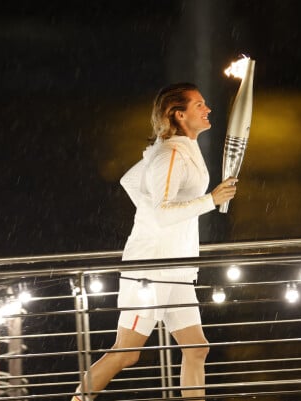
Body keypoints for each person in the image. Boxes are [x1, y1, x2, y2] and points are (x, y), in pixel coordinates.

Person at [72, 82, 237, 401]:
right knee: (126, 354)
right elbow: (162, 213)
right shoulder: (171, 154)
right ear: (179, 114)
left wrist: (155, 214)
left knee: (197, 348)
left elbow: (130, 181)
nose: (208, 109)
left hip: (176, 267)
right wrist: (209, 200)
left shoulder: (181, 148)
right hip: (150, 269)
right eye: (199, 105)